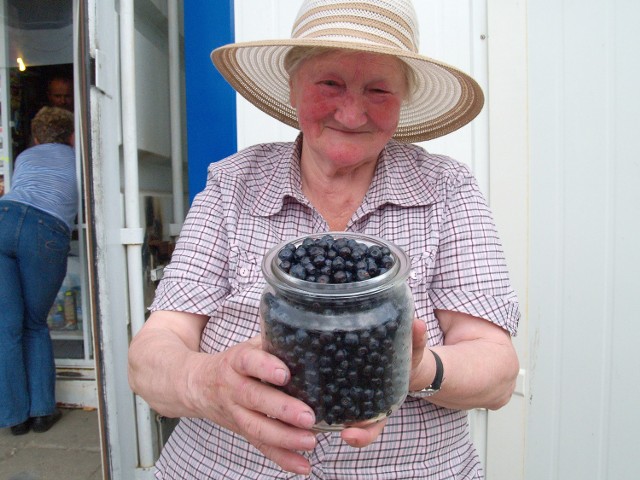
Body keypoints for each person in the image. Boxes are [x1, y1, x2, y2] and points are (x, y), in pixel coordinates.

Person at [128, 0, 521, 478]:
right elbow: (153, 353)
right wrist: (209, 383)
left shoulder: (446, 189)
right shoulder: (234, 183)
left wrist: (410, 369)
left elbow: (497, 373)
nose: (352, 112)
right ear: (293, 88)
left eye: (378, 89)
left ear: (402, 102)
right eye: (330, 83)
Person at [0, 106, 77, 435]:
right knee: (34, 324)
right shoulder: (78, 159)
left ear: (35, 137)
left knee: (6, 328)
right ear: (72, 136)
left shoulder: (24, 158)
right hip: (44, 230)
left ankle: (14, 418)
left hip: (4, 216)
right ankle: (43, 412)